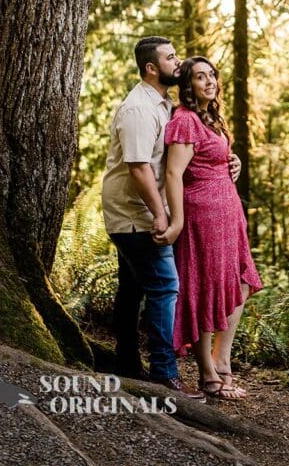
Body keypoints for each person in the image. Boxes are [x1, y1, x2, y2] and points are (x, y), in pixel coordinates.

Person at [101, 36, 204, 396]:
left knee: (131, 288)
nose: (178, 63)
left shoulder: (163, 104)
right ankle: (163, 372)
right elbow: (139, 167)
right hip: (134, 213)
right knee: (164, 286)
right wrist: (162, 215)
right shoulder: (138, 109)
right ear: (151, 67)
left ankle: (126, 363)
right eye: (170, 58)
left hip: (141, 210)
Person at [154, 56, 262, 399]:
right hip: (203, 216)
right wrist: (178, 220)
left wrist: (235, 161)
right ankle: (207, 374)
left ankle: (222, 361)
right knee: (204, 289)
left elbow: (214, 158)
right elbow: (173, 173)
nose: (209, 81)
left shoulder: (211, 117)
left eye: (212, 75)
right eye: (200, 77)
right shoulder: (185, 119)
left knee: (242, 282)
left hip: (229, 215)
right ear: (188, 85)